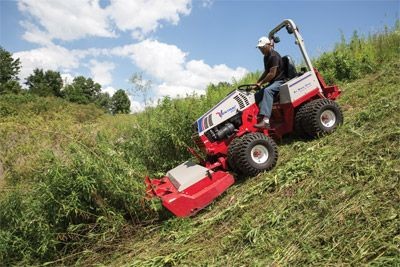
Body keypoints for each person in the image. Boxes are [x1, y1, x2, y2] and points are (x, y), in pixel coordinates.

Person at [254, 36, 285, 129]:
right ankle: (258, 117)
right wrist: (257, 82)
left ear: (268, 45)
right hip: (273, 82)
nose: (261, 50)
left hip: (280, 81)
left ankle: (266, 121)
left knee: (268, 91)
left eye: (262, 47)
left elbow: (272, 74)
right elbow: (266, 72)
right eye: (260, 48)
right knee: (256, 95)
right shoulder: (266, 57)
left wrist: (261, 83)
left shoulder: (274, 56)